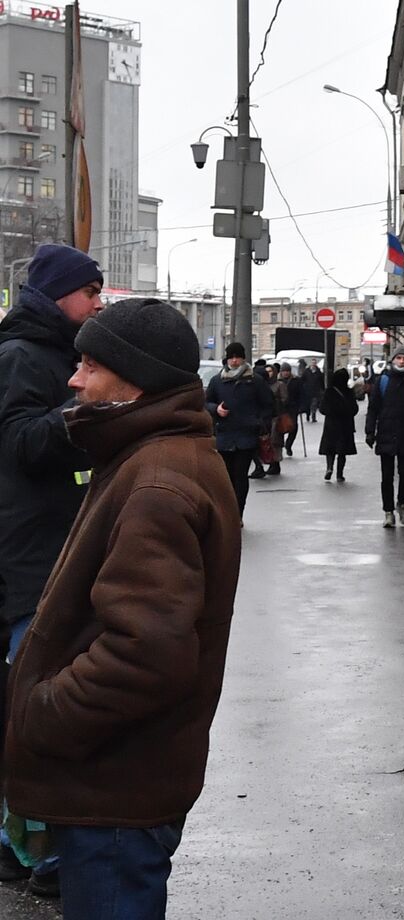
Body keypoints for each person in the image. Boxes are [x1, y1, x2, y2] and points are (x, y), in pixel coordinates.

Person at [4, 297, 241, 919]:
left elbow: (146, 652)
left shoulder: (158, 479)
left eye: (89, 365)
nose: (73, 379)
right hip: (119, 781)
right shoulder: (143, 455)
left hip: (114, 788)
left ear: (135, 378)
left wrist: (44, 712)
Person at [0, 241, 104, 897]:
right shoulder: (21, 356)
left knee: (28, 709)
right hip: (29, 563)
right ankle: (40, 852)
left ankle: (23, 845)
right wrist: (93, 410)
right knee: (40, 712)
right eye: (90, 291)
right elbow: (22, 441)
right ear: (59, 295)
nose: (97, 302)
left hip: (43, 553)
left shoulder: (51, 353)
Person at [205, 342, 274, 518]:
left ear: (243, 358)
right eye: (231, 357)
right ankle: (227, 513)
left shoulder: (254, 381)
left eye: (238, 357)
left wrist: (259, 422)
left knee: (240, 475)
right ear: (227, 359)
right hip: (224, 435)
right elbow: (206, 403)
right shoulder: (217, 380)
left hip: (246, 436)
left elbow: (269, 405)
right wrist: (216, 409)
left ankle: (237, 514)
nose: (235, 361)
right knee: (226, 478)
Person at [366, 346, 404, 528]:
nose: (401, 361)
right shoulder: (383, 381)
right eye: (398, 358)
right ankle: (388, 512)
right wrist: (370, 431)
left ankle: (402, 502)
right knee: (387, 477)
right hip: (386, 434)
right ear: (393, 360)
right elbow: (373, 408)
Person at [318, 367, 358, 482]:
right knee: (342, 451)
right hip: (345, 426)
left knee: (330, 449)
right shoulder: (349, 392)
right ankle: (340, 474)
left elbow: (322, 409)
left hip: (331, 425)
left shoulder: (329, 392)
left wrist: (332, 412)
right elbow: (354, 409)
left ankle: (329, 467)